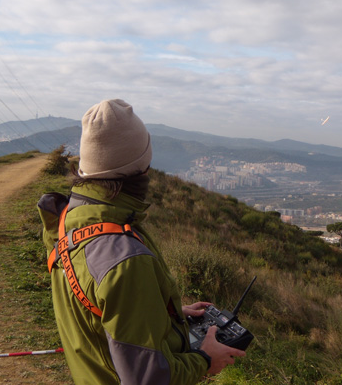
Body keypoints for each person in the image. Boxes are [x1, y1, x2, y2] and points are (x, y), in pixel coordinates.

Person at [38, 99, 245, 384]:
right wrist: (205, 360)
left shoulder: (68, 220)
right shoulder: (126, 260)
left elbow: (103, 311)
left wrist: (162, 312)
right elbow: (147, 379)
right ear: (140, 168)